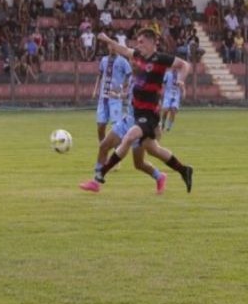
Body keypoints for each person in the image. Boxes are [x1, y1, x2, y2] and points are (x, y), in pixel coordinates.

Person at [80, 29, 194, 193]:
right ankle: (177, 172)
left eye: (141, 42)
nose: (138, 45)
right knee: (134, 156)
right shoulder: (138, 57)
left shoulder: (160, 59)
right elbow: (123, 50)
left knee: (131, 138)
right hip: (133, 115)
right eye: (137, 42)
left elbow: (185, 64)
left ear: (152, 41)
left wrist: (181, 80)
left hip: (148, 116)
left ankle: (99, 176)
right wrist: (106, 39)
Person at [92, 44, 132, 142]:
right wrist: (95, 89)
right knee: (100, 125)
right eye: (111, 45)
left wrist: (123, 87)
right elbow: (100, 74)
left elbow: (129, 74)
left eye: (115, 46)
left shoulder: (122, 61)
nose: (113, 48)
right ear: (108, 47)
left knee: (116, 126)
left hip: (115, 98)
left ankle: (118, 149)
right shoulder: (104, 60)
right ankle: (102, 147)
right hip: (103, 97)